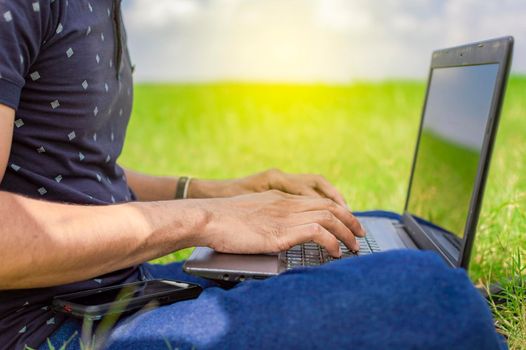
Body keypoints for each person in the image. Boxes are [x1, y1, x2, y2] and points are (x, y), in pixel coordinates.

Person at [0, 1, 505, 349]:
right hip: (48, 328)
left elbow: (71, 171)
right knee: (433, 292)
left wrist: (213, 192)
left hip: (112, 289)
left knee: (357, 225)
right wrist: (205, 218)